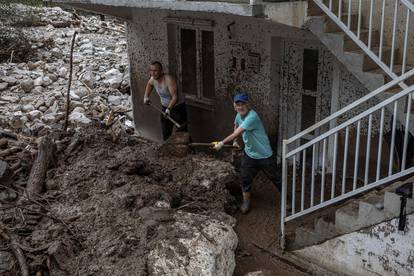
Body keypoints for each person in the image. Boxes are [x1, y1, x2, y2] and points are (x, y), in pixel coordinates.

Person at [212, 92, 282, 214]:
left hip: (264, 155)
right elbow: (235, 126)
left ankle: (288, 200)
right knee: (245, 178)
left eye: (242, 104)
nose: (240, 107)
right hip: (250, 155)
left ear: (247, 104)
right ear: (234, 106)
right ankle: (246, 203)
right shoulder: (238, 115)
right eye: (237, 104)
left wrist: (222, 143)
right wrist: (234, 142)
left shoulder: (252, 117)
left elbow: (237, 132)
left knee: (276, 179)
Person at [144, 61, 187, 140]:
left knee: (182, 133)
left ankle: (190, 150)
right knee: (166, 131)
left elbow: (175, 97)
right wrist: (146, 96)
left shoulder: (168, 80)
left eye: (155, 71)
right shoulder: (153, 79)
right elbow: (149, 85)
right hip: (165, 108)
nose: (153, 73)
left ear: (161, 71)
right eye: (151, 70)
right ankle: (168, 149)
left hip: (178, 108)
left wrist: (169, 109)